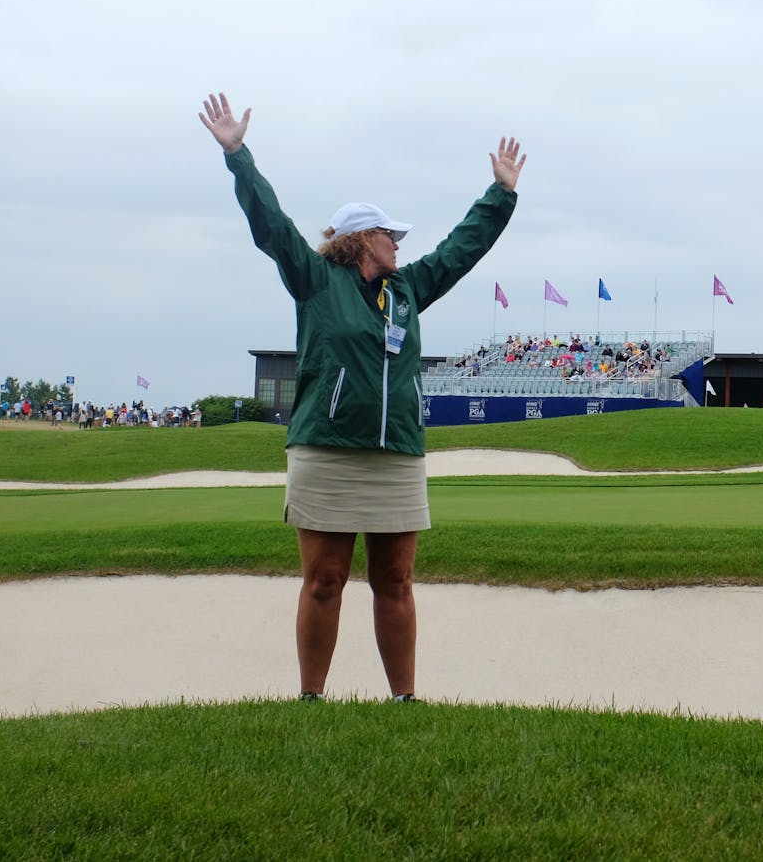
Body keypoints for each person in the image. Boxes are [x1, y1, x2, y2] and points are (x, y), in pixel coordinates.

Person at [200, 92, 525, 703]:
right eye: (388, 234)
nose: (398, 243)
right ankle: (311, 699)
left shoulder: (407, 288)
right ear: (358, 240)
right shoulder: (316, 279)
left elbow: (460, 251)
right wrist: (238, 155)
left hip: (396, 453)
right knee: (324, 580)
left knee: (396, 580)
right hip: (327, 449)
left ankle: (404, 699)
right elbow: (271, 226)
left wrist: (500, 195)